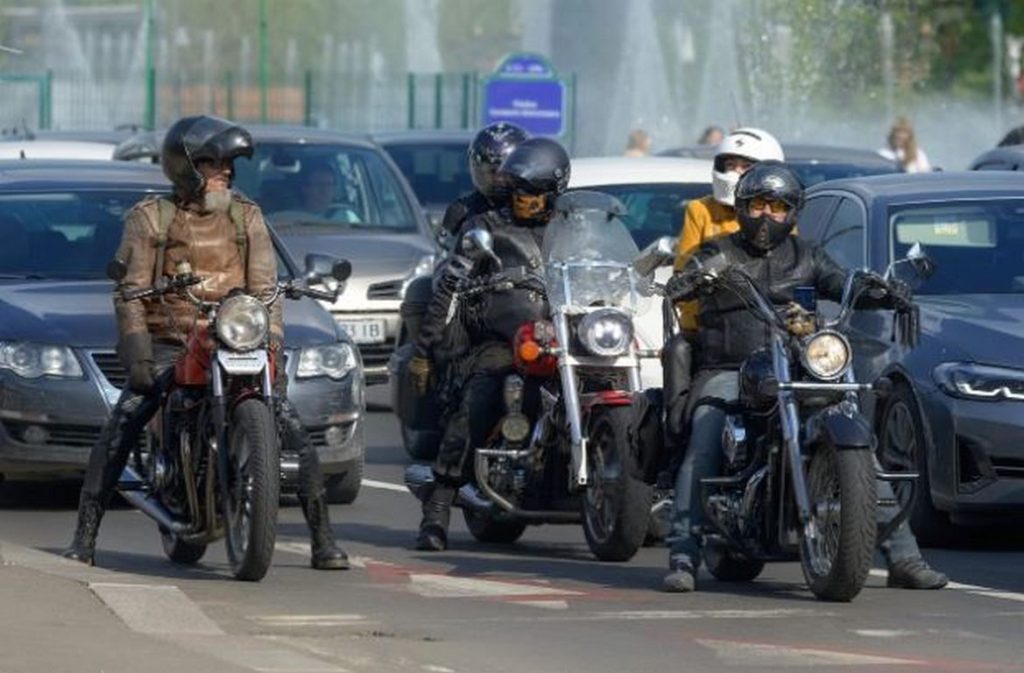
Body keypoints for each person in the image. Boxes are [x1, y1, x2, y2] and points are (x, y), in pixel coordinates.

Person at [63, 115, 349, 571]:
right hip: (172, 338)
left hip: (236, 336)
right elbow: (129, 292)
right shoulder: (150, 218)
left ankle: (323, 539)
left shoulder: (247, 216)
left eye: (229, 163)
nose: (226, 171)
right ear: (186, 167)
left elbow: (267, 290)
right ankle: (85, 535)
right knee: (125, 420)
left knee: (291, 425)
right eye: (214, 163)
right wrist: (138, 354)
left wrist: (272, 345)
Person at [661, 161, 948, 593]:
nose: (766, 216)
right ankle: (684, 555)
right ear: (742, 207)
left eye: (778, 207)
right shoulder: (719, 252)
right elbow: (685, 276)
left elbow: (842, 282)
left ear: (793, 213)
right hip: (730, 370)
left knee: (861, 445)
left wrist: (880, 290)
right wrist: (691, 279)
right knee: (705, 435)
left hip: (797, 365)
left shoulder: (807, 255)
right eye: (758, 205)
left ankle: (905, 557)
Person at [410, 137, 571, 551]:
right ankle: (438, 508)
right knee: (478, 398)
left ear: (553, 192)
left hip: (567, 341)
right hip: (503, 344)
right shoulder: (485, 228)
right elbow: (448, 288)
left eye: (532, 192)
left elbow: (604, 270)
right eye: (517, 190)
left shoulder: (572, 229)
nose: (523, 199)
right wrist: (424, 351)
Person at [674, 127, 785, 335]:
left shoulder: (780, 214)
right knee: (677, 350)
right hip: (708, 323)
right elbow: (683, 274)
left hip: (764, 324)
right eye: (730, 165)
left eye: (745, 167)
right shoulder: (700, 210)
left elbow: (796, 266)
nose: (735, 173)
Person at [440, 122, 529, 239]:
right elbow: (444, 246)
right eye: (490, 172)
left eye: (504, 173)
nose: (498, 179)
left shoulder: (538, 209)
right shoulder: (461, 211)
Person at [295, 159, 360, 222]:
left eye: (329, 185)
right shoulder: (292, 218)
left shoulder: (349, 218)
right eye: (318, 185)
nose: (324, 190)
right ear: (304, 188)